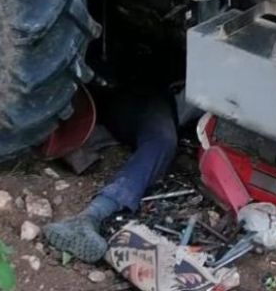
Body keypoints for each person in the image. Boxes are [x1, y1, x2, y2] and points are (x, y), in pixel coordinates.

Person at [43, 87, 179, 263]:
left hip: (93, 89)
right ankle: (93, 214)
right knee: (162, 140)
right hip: (134, 91)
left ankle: (89, 216)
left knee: (161, 139)